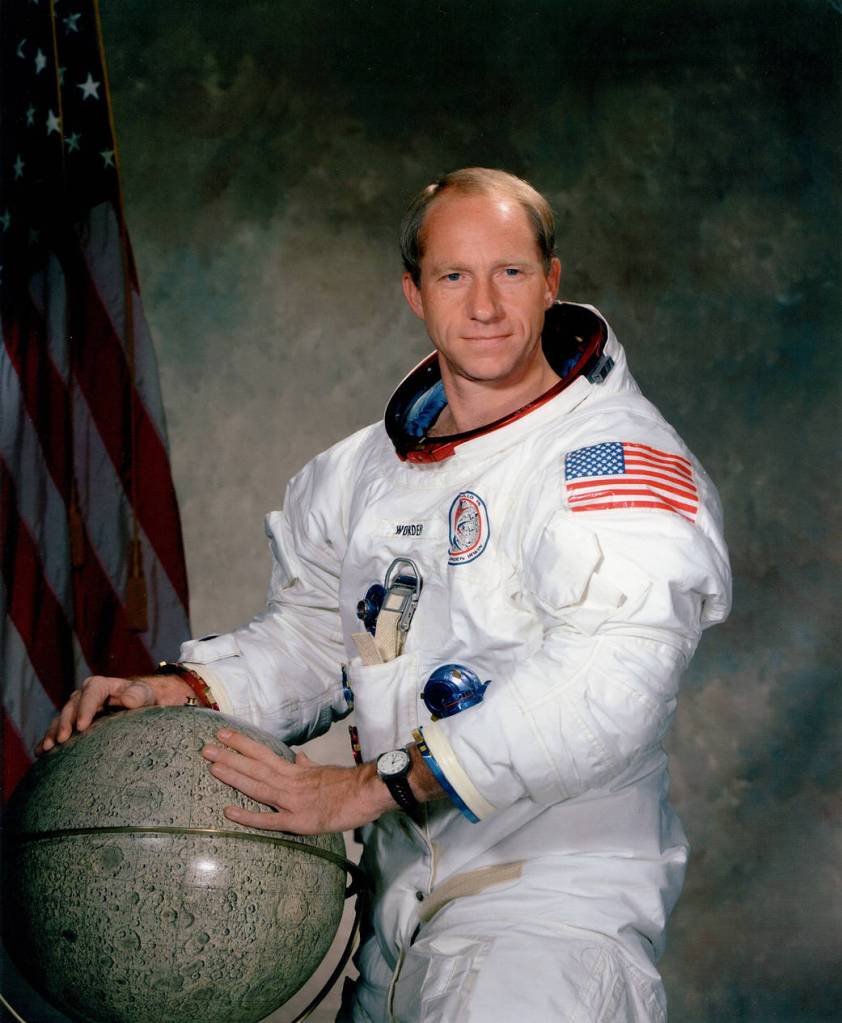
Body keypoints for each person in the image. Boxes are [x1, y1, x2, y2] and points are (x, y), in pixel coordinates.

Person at [39, 168, 732, 1022]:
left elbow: (606, 692)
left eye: (510, 272)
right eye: (453, 275)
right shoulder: (361, 475)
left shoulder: (611, 466)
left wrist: (366, 788)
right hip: (397, 924)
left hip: (549, 923)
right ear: (414, 291)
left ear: (552, 281)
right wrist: (182, 692)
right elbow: (317, 644)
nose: (484, 305)